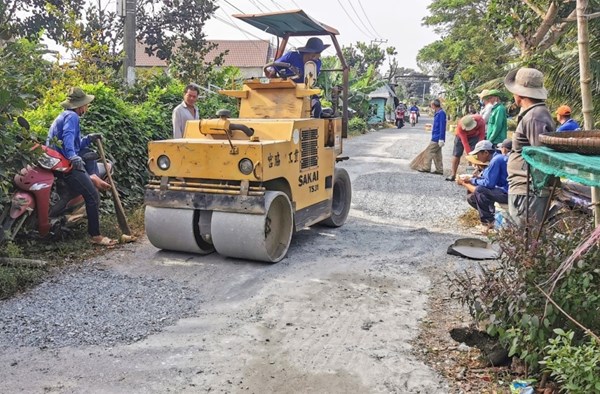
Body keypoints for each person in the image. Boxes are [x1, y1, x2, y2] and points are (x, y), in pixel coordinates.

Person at [46, 87, 116, 246]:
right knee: (92, 195)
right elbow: (68, 138)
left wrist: (88, 139)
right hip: (66, 164)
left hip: (57, 163)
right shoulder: (72, 117)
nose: (86, 108)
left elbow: (75, 143)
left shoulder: (63, 115)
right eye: (86, 105)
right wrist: (72, 156)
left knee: (90, 188)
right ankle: (95, 235)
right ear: (80, 106)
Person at [504, 67, 555, 227]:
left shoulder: (534, 117)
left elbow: (539, 156)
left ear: (519, 94)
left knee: (523, 238)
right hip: (524, 188)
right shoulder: (533, 114)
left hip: (528, 191)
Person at [456, 140, 509, 233]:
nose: (477, 157)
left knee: (480, 190)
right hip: (501, 190)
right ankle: (491, 217)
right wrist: (474, 178)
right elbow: (488, 179)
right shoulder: (496, 158)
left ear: (485, 152)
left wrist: (471, 180)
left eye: (477, 154)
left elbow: (489, 183)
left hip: (506, 192)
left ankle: (487, 223)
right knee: (472, 198)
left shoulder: (496, 160)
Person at [265, 37, 329, 82]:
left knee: (315, 101)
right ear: (312, 54)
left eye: (319, 53)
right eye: (318, 53)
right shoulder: (292, 56)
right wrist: (272, 70)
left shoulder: (317, 63)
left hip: (305, 90)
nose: (319, 56)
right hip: (287, 87)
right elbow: (275, 65)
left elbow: (311, 80)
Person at [410, 99, 446, 174]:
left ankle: (426, 167)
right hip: (436, 137)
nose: (431, 106)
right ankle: (439, 170)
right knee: (437, 154)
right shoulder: (438, 113)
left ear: (434, 105)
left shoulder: (441, 113)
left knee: (429, 152)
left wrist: (441, 139)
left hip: (437, 138)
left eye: (431, 105)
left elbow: (442, 126)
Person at [446, 114, 486, 182]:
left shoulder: (480, 121)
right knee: (456, 154)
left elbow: (481, 136)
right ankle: (453, 174)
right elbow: (465, 143)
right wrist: (469, 155)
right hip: (460, 137)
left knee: (475, 155)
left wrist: (479, 149)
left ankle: (471, 176)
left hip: (474, 137)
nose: (469, 130)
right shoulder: (460, 126)